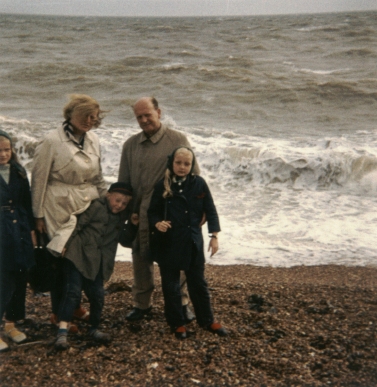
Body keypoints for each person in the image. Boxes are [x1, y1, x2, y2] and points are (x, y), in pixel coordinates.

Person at [31, 94, 108, 330]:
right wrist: (38, 215)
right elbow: (39, 179)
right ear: (70, 114)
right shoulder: (51, 141)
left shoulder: (93, 139)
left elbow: (97, 175)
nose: (89, 121)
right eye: (85, 116)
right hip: (58, 206)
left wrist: (107, 201)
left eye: (93, 117)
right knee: (62, 259)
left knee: (82, 256)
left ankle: (73, 307)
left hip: (87, 205)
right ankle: (57, 313)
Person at [118, 97, 199, 322]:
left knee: (176, 260)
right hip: (139, 214)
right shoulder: (130, 145)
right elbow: (123, 182)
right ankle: (141, 304)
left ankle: (182, 303)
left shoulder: (177, 139)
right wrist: (124, 214)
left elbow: (194, 177)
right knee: (140, 259)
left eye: (148, 115)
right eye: (139, 117)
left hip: (169, 214)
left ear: (159, 113)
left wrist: (197, 210)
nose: (144, 120)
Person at [148, 147, 227, 339]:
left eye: (187, 164)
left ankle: (207, 320)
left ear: (192, 165)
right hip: (169, 243)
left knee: (198, 283)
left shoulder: (199, 183)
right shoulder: (162, 185)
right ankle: (177, 323)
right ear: (171, 163)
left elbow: (211, 209)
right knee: (171, 285)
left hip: (193, 242)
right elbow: (152, 212)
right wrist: (158, 223)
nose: (182, 167)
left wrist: (214, 236)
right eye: (178, 163)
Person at [54, 182, 139, 350]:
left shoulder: (121, 217)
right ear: (108, 195)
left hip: (99, 262)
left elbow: (125, 239)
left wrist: (133, 225)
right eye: (117, 200)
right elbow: (78, 225)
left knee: (98, 295)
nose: (119, 205)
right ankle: (62, 331)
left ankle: (94, 328)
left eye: (124, 203)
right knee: (72, 292)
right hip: (78, 254)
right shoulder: (96, 206)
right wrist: (65, 244)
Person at [0, 130, 36, 352]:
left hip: (20, 229)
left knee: (20, 275)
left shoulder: (19, 171)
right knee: (3, 280)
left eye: (6, 149)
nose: (3, 154)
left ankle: (11, 324)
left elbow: (27, 202)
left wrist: (31, 230)